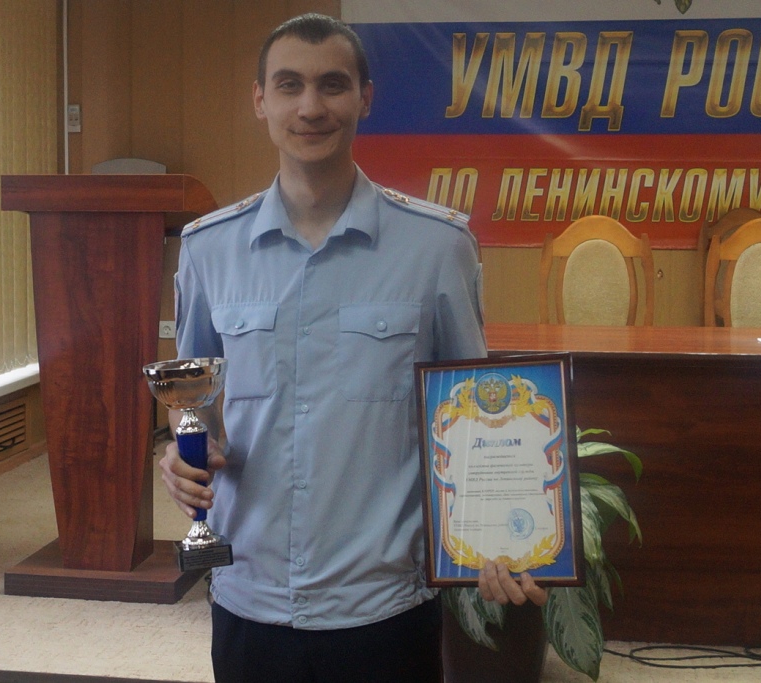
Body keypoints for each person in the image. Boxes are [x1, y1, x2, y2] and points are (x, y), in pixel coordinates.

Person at [161, 13, 546, 682]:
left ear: (365, 98)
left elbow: (477, 420)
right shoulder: (209, 249)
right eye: (289, 85)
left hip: (384, 607)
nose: (310, 107)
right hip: (249, 595)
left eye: (332, 85)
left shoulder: (436, 247)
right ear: (260, 100)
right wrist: (183, 454)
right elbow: (190, 400)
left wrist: (497, 537)